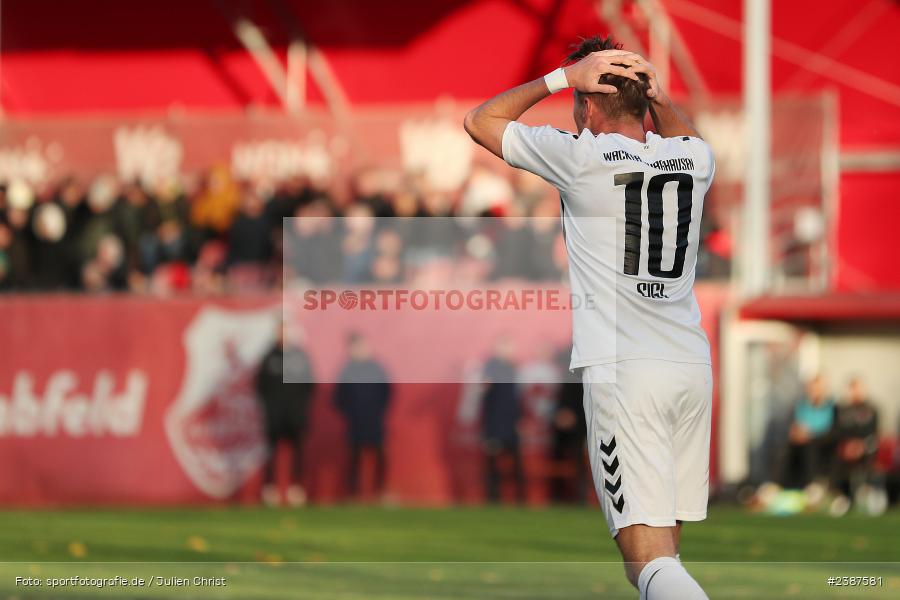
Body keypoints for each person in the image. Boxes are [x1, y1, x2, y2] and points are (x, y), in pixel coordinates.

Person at [465, 35, 714, 599]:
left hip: (626, 373)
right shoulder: (695, 159)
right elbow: (684, 135)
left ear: (587, 102)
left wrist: (561, 78)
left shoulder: (583, 156)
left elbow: (480, 120)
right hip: (689, 369)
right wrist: (657, 93)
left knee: (648, 563)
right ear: (645, 98)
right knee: (663, 556)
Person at [255, 322, 316, 506]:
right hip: (274, 415)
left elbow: (309, 385)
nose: (283, 335)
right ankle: (270, 490)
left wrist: (300, 408)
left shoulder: (299, 356)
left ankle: (296, 489)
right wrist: (269, 408)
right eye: (280, 332)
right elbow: (260, 386)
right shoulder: (269, 357)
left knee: (298, 452)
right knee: (271, 453)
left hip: (295, 414)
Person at [334, 333, 392, 500]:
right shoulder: (347, 370)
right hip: (355, 422)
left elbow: (387, 392)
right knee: (355, 457)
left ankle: (381, 491)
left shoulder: (376, 368)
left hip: (375, 419)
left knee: (380, 455)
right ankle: (354, 493)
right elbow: (338, 397)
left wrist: (378, 411)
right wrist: (350, 413)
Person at [480, 336, 524, 503]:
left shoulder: (512, 368)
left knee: (515, 463)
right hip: (495, 422)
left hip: (510, 421)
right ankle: (493, 498)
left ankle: (520, 499)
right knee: (493, 462)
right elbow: (485, 386)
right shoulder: (491, 365)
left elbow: (515, 397)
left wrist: (519, 418)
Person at [781, 374, 837, 488]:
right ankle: (778, 485)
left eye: (818, 388)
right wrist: (796, 433)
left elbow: (834, 431)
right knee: (786, 447)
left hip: (823, 444)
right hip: (801, 442)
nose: (815, 391)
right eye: (812, 388)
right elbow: (794, 425)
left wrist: (811, 435)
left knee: (811, 446)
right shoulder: (801, 406)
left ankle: (812, 485)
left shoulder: (833, 407)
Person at [833, 377, 879, 497]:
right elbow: (839, 431)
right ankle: (841, 494)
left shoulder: (872, 410)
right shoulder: (842, 410)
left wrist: (860, 446)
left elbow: (873, 432)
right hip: (846, 448)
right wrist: (849, 446)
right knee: (835, 456)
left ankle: (866, 492)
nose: (856, 392)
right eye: (853, 389)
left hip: (866, 447)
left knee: (871, 452)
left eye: (858, 388)